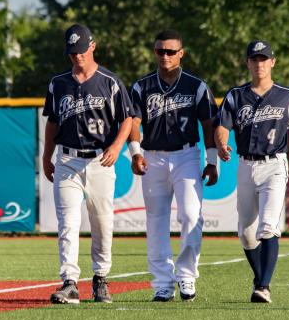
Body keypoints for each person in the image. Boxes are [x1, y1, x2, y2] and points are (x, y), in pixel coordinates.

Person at [214, 40, 289, 303]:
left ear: (273, 62)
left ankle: (264, 286)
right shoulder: (236, 95)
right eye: (254, 59)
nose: (259, 64)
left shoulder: (287, 96)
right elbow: (222, 126)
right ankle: (260, 279)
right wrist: (222, 143)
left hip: (274, 165)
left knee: (268, 227)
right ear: (248, 63)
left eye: (264, 59)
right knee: (246, 233)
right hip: (245, 165)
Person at [42, 24, 134, 304]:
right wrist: (47, 156)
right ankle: (69, 282)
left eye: (81, 50)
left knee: (102, 223)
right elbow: (52, 121)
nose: (77, 56)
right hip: (68, 159)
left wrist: (118, 146)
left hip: (99, 160)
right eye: (72, 52)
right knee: (68, 223)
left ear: (92, 46)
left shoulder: (110, 81)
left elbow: (128, 117)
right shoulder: (58, 83)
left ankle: (100, 279)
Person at [128, 29, 218, 302]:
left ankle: (187, 275)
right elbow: (133, 121)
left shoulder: (196, 85)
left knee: (192, 215)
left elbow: (208, 123)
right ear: (154, 52)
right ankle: (162, 283)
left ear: (181, 53)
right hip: (153, 156)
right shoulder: (141, 86)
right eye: (160, 51)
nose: (165, 56)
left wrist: (212, 161)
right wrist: (134, 152)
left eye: (170, 51)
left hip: (186, 155)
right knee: (156, 221)